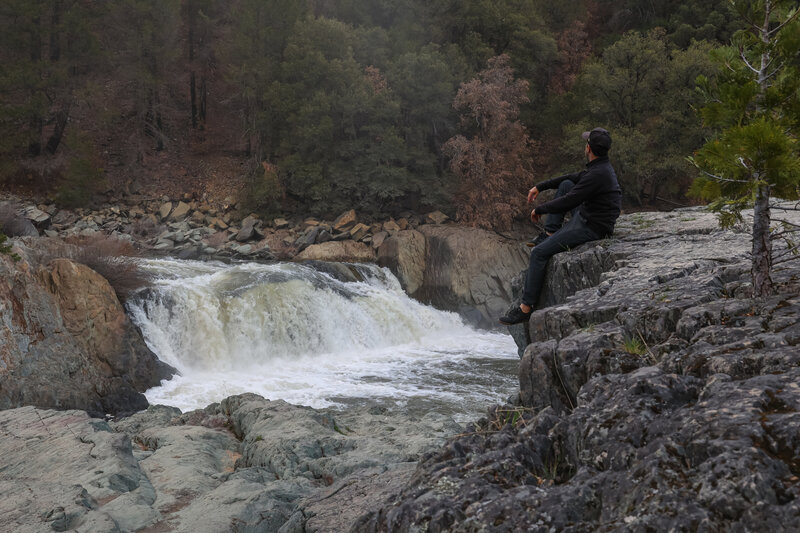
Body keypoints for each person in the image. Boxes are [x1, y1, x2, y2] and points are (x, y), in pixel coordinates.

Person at [499, 127, 621, 325]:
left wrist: (540, 210)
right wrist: (541, 186)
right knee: (565, 184)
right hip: (588, 216)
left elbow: (569, 201)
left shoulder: (597, 174)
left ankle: (525, 308)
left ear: (588, 148)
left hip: (593, 227)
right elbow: (572, 179)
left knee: (539, 253)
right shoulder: (600, 168)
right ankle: (550, 232)